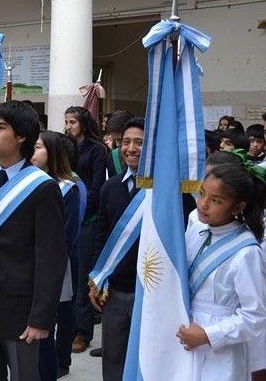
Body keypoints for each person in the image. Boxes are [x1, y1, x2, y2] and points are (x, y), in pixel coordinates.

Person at [90, 118, 195, 380]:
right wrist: (95, 278)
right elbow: (101, 236)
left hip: (154, 292)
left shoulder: (172, 192)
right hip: (116, 291)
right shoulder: (110, 187)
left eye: (139, 142)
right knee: (113, 359)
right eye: (126, 142)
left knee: (149, 359)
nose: (131, 148)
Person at [0, 101, 67, 380]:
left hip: (19, 311)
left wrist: (41, 319)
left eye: (1, 127)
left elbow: (51, 258)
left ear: (21, 137)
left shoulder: (43, 188)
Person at [178, 162, 266, 380]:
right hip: (186, 336)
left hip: (220, 348)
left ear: (237, 207)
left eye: (215, 200)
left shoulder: (246, 252)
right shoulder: (197, 231)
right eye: (202, 193)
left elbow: (256, 316)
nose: (202, 204)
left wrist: (208, 335)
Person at [30, 131, 83, 380]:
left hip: (53, 267)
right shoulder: (26, 183)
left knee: (47, 327)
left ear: (52, 152)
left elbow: (67, 235)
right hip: (25, 267)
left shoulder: (67, 189)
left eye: (38, 147)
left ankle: (56, 366)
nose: (33, 152)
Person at [64, 105, 107, 354]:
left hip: (88, 218)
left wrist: (81, 209)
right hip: (69, 216)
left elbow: (97, 186)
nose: (68, 126)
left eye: (72, 122)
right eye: (66, 122)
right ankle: (68, 327)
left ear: (83, 123)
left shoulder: (97, 150)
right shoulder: (67, 148)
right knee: (68, 276)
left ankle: (83, 332)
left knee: (82, 278)